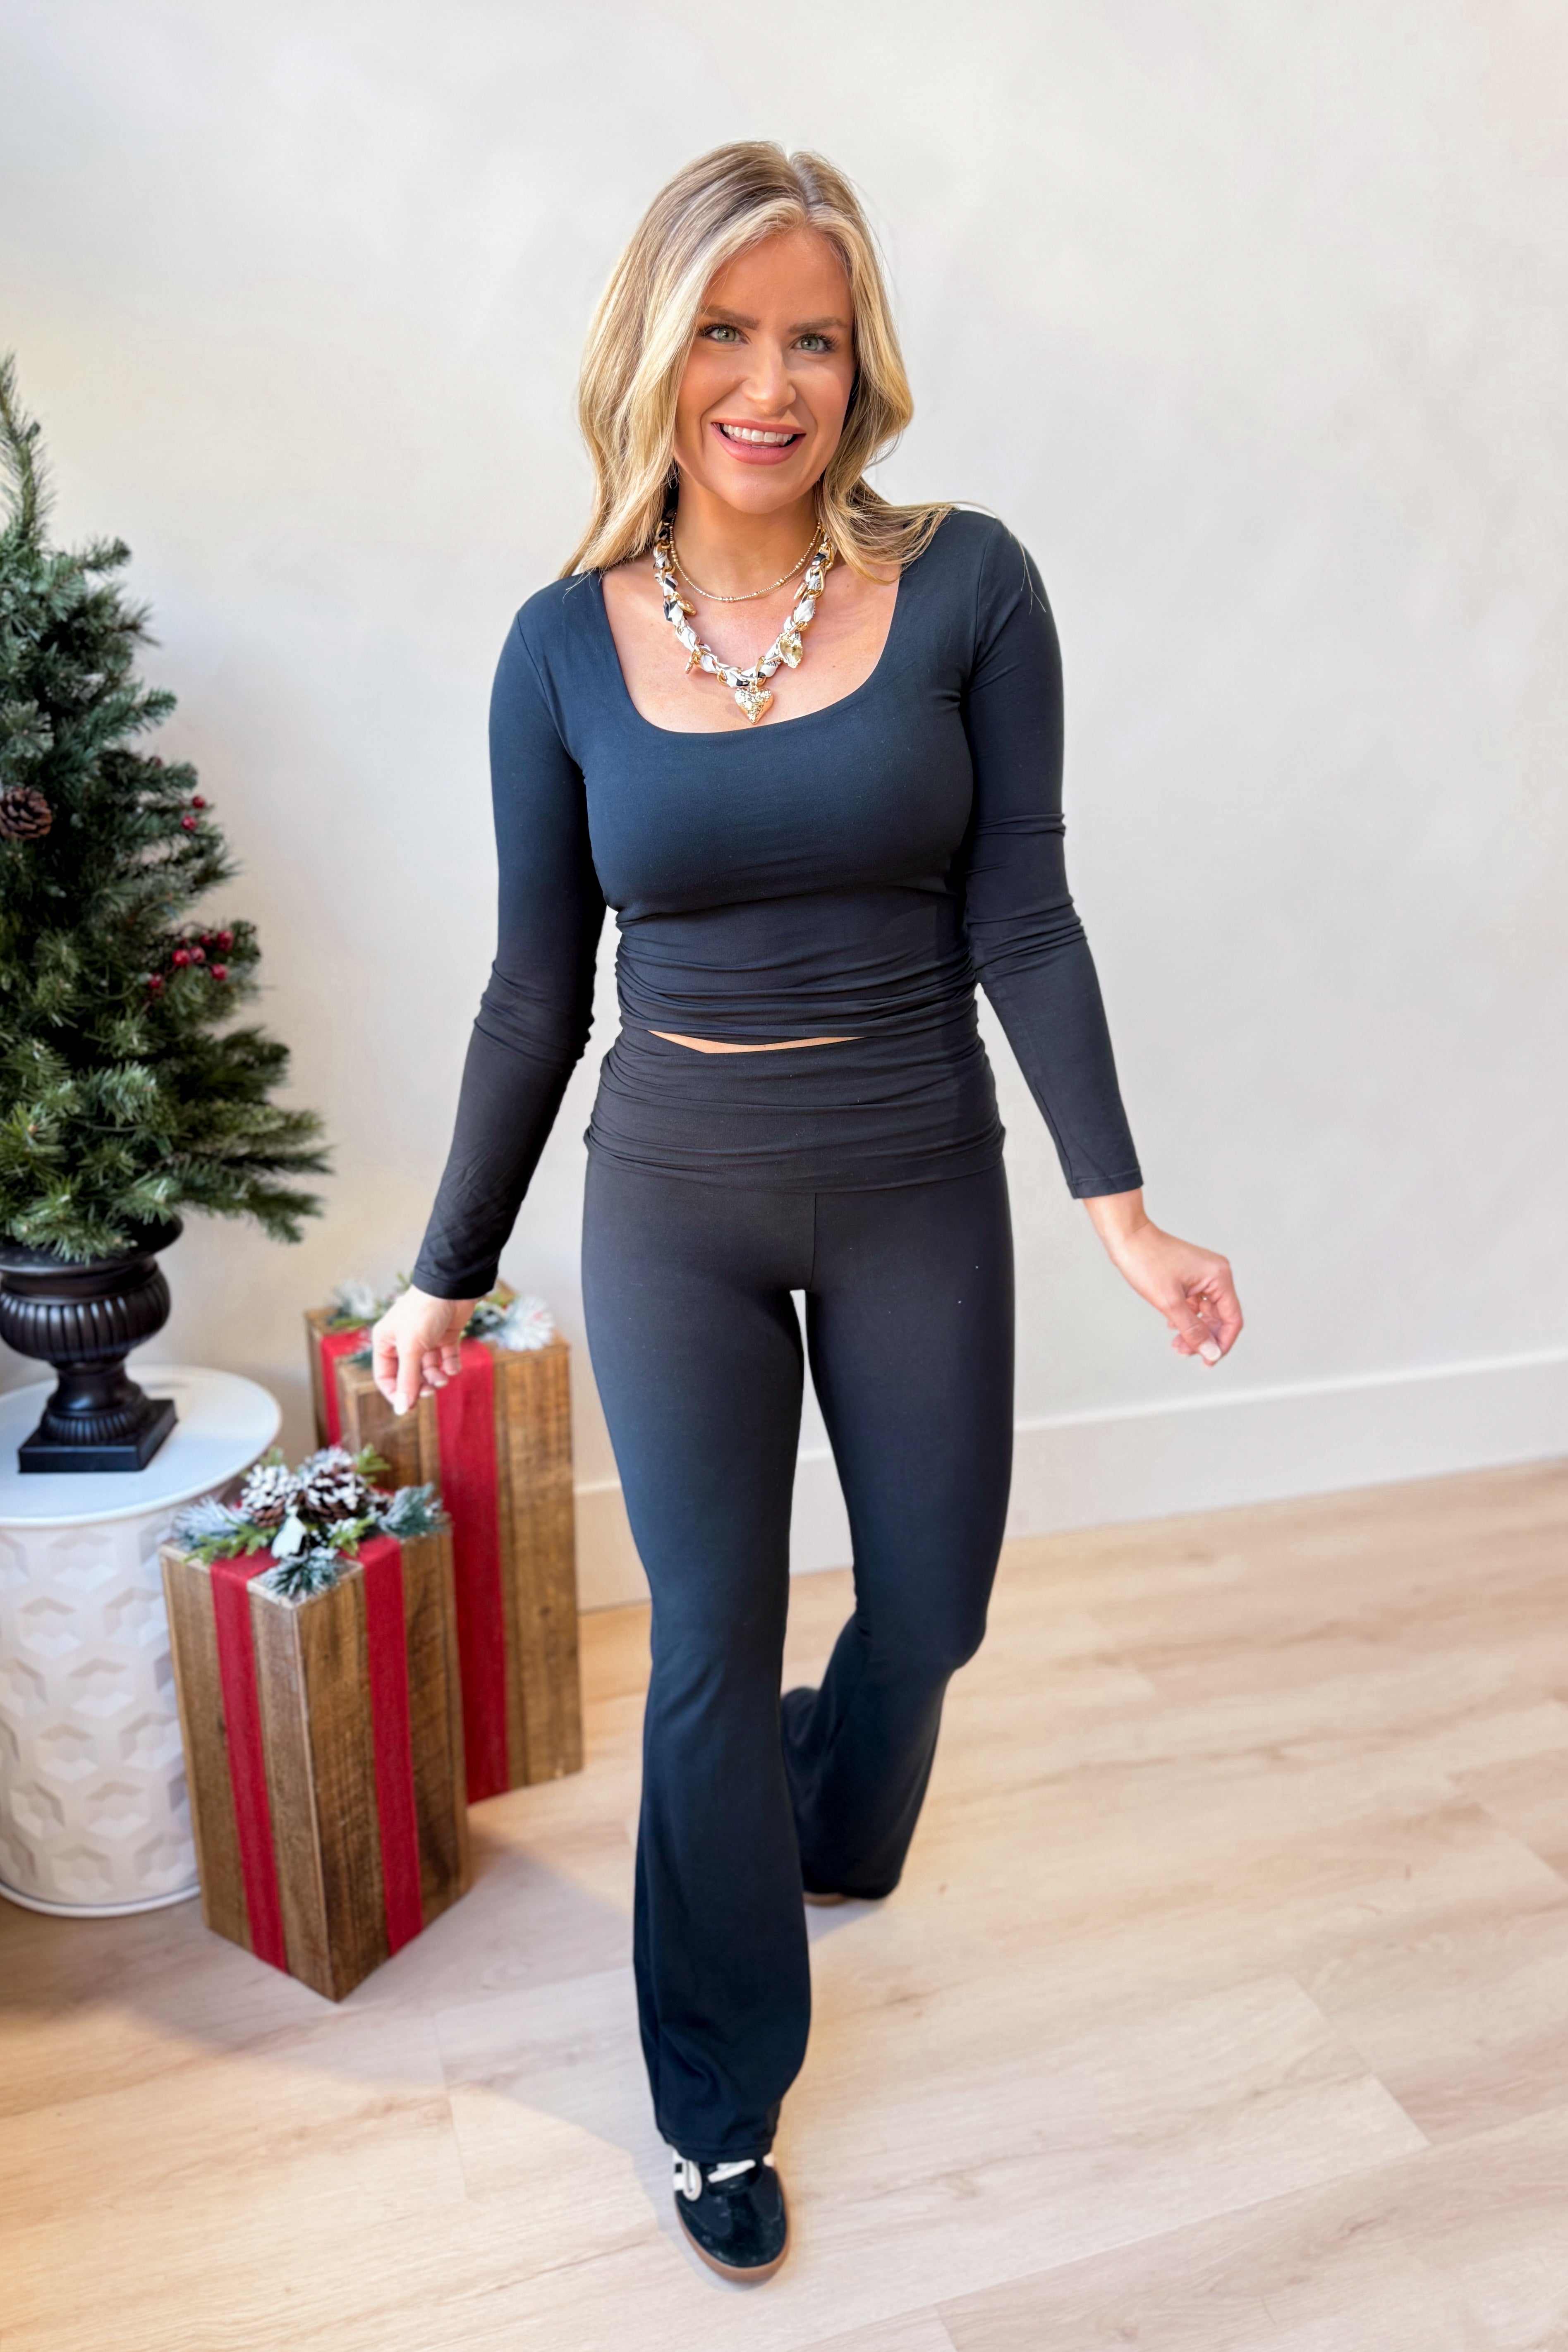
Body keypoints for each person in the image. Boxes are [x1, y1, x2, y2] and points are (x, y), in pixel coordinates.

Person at [372, 141, 1242, 2285]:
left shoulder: (971, 586)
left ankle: (827, 1804)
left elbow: (1026, 911)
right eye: (728, 333)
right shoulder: (557, 650)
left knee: (931, 1608)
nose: (772, 384)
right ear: (655, 353)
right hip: (673, 1194)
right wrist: (443, 1270)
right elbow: (532, 991)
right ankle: (714, 2098)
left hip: (918, 1167)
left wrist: (1122, 1208)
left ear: (865, 364)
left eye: (816, 339)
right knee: (708, 1637)